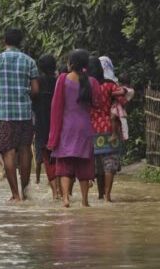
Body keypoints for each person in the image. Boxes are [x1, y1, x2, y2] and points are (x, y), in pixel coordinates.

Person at [0, 28, 39, 202]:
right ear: (21, 42)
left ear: (5, 40)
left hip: (4, 114)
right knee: (25, 150)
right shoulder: (29, 61)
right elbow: (35, 90)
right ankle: (25, 192)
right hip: (25, 113)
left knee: (8, 152)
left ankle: (15, 195)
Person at [48, 49, 100, 208]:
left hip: (67, 128)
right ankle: (85, 201)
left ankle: (65, 199)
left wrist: (53, 136)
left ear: (70, 63)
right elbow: (96, 103)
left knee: (64, 164)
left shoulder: (63, 79)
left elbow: (56, 106)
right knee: (84, 165)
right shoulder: (92, 82)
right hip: (85, 128)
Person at [89, 56, 125, 202]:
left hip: (92, 128)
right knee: (109, 164)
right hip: (110, 128)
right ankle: (108, 196)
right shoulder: (110, 85)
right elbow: (123, 99)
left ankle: (99, 194)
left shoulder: (88, 86)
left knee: (97, 165)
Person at [32, 54, 59, 199]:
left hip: (42, 125)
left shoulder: (37, 82)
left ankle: (55, 192)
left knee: (47, 159)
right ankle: (62, 189)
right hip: (58, 123)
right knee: (59, 157)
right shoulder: (59, 81)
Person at [99, 56, 133, 142]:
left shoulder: (92, 83)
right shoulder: (114, 83)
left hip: (96, 126)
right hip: (113, 120)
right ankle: (123, 136)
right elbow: (123, 100)